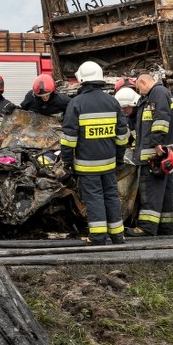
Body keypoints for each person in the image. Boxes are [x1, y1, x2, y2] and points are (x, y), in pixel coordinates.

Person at [60, 61, 129, 245]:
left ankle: (98, 237)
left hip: (86, 164)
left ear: (82, 79)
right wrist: (119, 157)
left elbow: (68, 139)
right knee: (111, 196)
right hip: (109, 163)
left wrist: (66, 162)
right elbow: (122, 135)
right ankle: (117, 236)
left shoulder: (76, 103)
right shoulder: (112, 101)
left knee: (94, 198)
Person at [126, 71, 173, 238]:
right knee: (163, 191)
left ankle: (147, 227)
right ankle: (165, 226)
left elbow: (161, 119)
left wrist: (157, 143)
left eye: (137, 87)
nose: (138, 91)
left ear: (142, 82)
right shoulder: (157, 94)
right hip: (162, 151)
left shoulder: (157, 93)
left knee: (150, 190)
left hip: (155, 152)